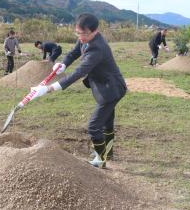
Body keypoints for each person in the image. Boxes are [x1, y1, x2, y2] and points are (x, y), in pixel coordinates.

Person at [30, 13, 127, 168]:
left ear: (95, 31)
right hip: (104, 86)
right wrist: (64, 64)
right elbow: (75, 52)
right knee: (107, 123)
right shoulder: (84, 38)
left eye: (84, 34)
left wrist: (48, 89)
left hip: (111, 90)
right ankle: (107, 153)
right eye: (78, 33)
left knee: (94, 126)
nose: (80, 37)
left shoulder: (97, 49)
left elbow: (79, 73)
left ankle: (101, 160)